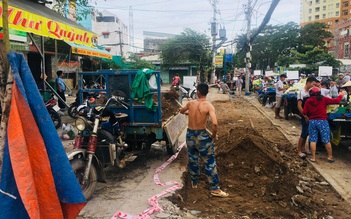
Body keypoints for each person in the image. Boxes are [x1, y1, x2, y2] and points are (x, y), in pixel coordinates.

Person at [180, 83, 229, 197]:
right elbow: (215, 124)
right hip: (202, 135)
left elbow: (182, 111)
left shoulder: (190, 103)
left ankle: (194, 182)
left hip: (190, 135)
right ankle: (214, 188)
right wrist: (213, 135)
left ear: (197, 92)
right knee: (209, 162)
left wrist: (189, 112)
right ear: (207, 92)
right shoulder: (208, 106)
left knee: (193, 159)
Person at [302, 87, 346, 163]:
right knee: (326, 140)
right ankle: (330, 157)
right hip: (323, 121)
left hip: (312, 121)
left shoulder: (308, 101)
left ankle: (313, 158)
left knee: (313, 139)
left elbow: (305, 112)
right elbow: (336, 101)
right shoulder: (324, 99)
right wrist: (341, 95)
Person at [297, 76, 319, 159]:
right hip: (305, 116)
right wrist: (305, 116)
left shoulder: (310, 92)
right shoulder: (301, 93)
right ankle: (299, 150)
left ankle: (303, 148)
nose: (314, 86)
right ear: (308, 82)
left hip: (310, 116)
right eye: (313, 84)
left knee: (307, 133)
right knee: (304, 133)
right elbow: (299, 106)